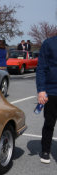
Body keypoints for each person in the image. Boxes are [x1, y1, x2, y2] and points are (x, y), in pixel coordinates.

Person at [36, 35, 57, 164]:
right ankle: (45, 150)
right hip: (52, 90)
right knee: (49, 122)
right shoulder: (49, 43)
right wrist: (41, 90)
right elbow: (41, 68)